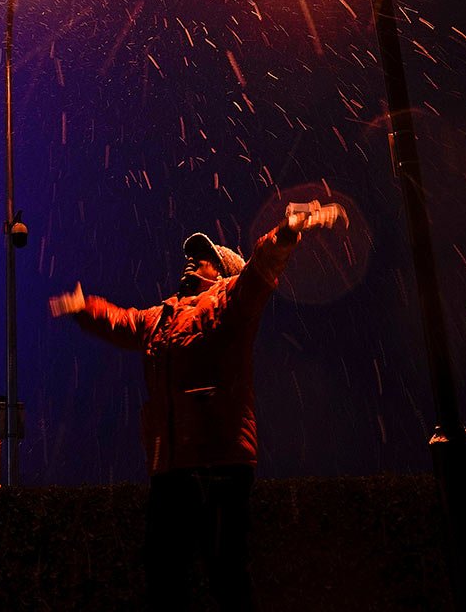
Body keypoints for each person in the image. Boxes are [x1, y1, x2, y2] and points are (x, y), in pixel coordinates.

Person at [50, 201, 346, 612]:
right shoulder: (162, 317)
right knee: (163, 573)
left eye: (205, 257)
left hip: (220, 462)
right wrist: (87, 309)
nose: (193, 261)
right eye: (192, 255)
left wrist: (285, 232)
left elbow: (261, 269)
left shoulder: (232, 300)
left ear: (222, 272)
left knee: (225, 574)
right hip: (171, 465)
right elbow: (124, 322)